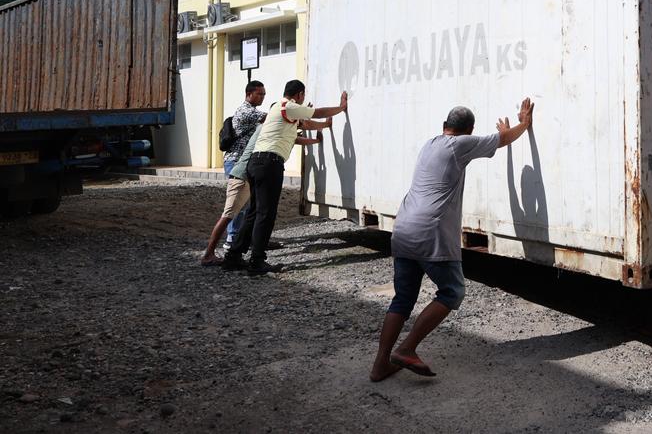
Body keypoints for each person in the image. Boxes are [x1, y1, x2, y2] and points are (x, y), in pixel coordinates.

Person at [369, 98, 534, 382]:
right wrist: (524, 123)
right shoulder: (460, 145)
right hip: (430, 232)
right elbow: (504, 139)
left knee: (403, 299)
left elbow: (496, 139)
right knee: (452, 291)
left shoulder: (430, 144)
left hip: (404, 227)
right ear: (468, 130)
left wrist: (502, 133)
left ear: (445, 126)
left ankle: (380, 365)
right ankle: (406, 349)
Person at [223, 80, 347, 276]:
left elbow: (307, 123)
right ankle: (257, 261)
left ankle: (233, 256)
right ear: (299, 95)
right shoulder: (288, 106)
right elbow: (317, 113)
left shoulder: (279, 109)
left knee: (254, 212)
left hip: (256, 163)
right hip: (269, 163)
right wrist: (340, 109)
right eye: (303, 96)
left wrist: (323, 127)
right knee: (266, 213)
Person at [199, 81, 267, 266]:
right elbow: (272, 118)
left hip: (243, 162)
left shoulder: (251, 113)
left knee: (246, 205)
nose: (262, 97)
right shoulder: (247, 111)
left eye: (264, 94)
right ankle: (229, 244)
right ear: (249, 94)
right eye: (260, 94)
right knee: (237, 207)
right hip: (236, 162)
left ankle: (243, 240)